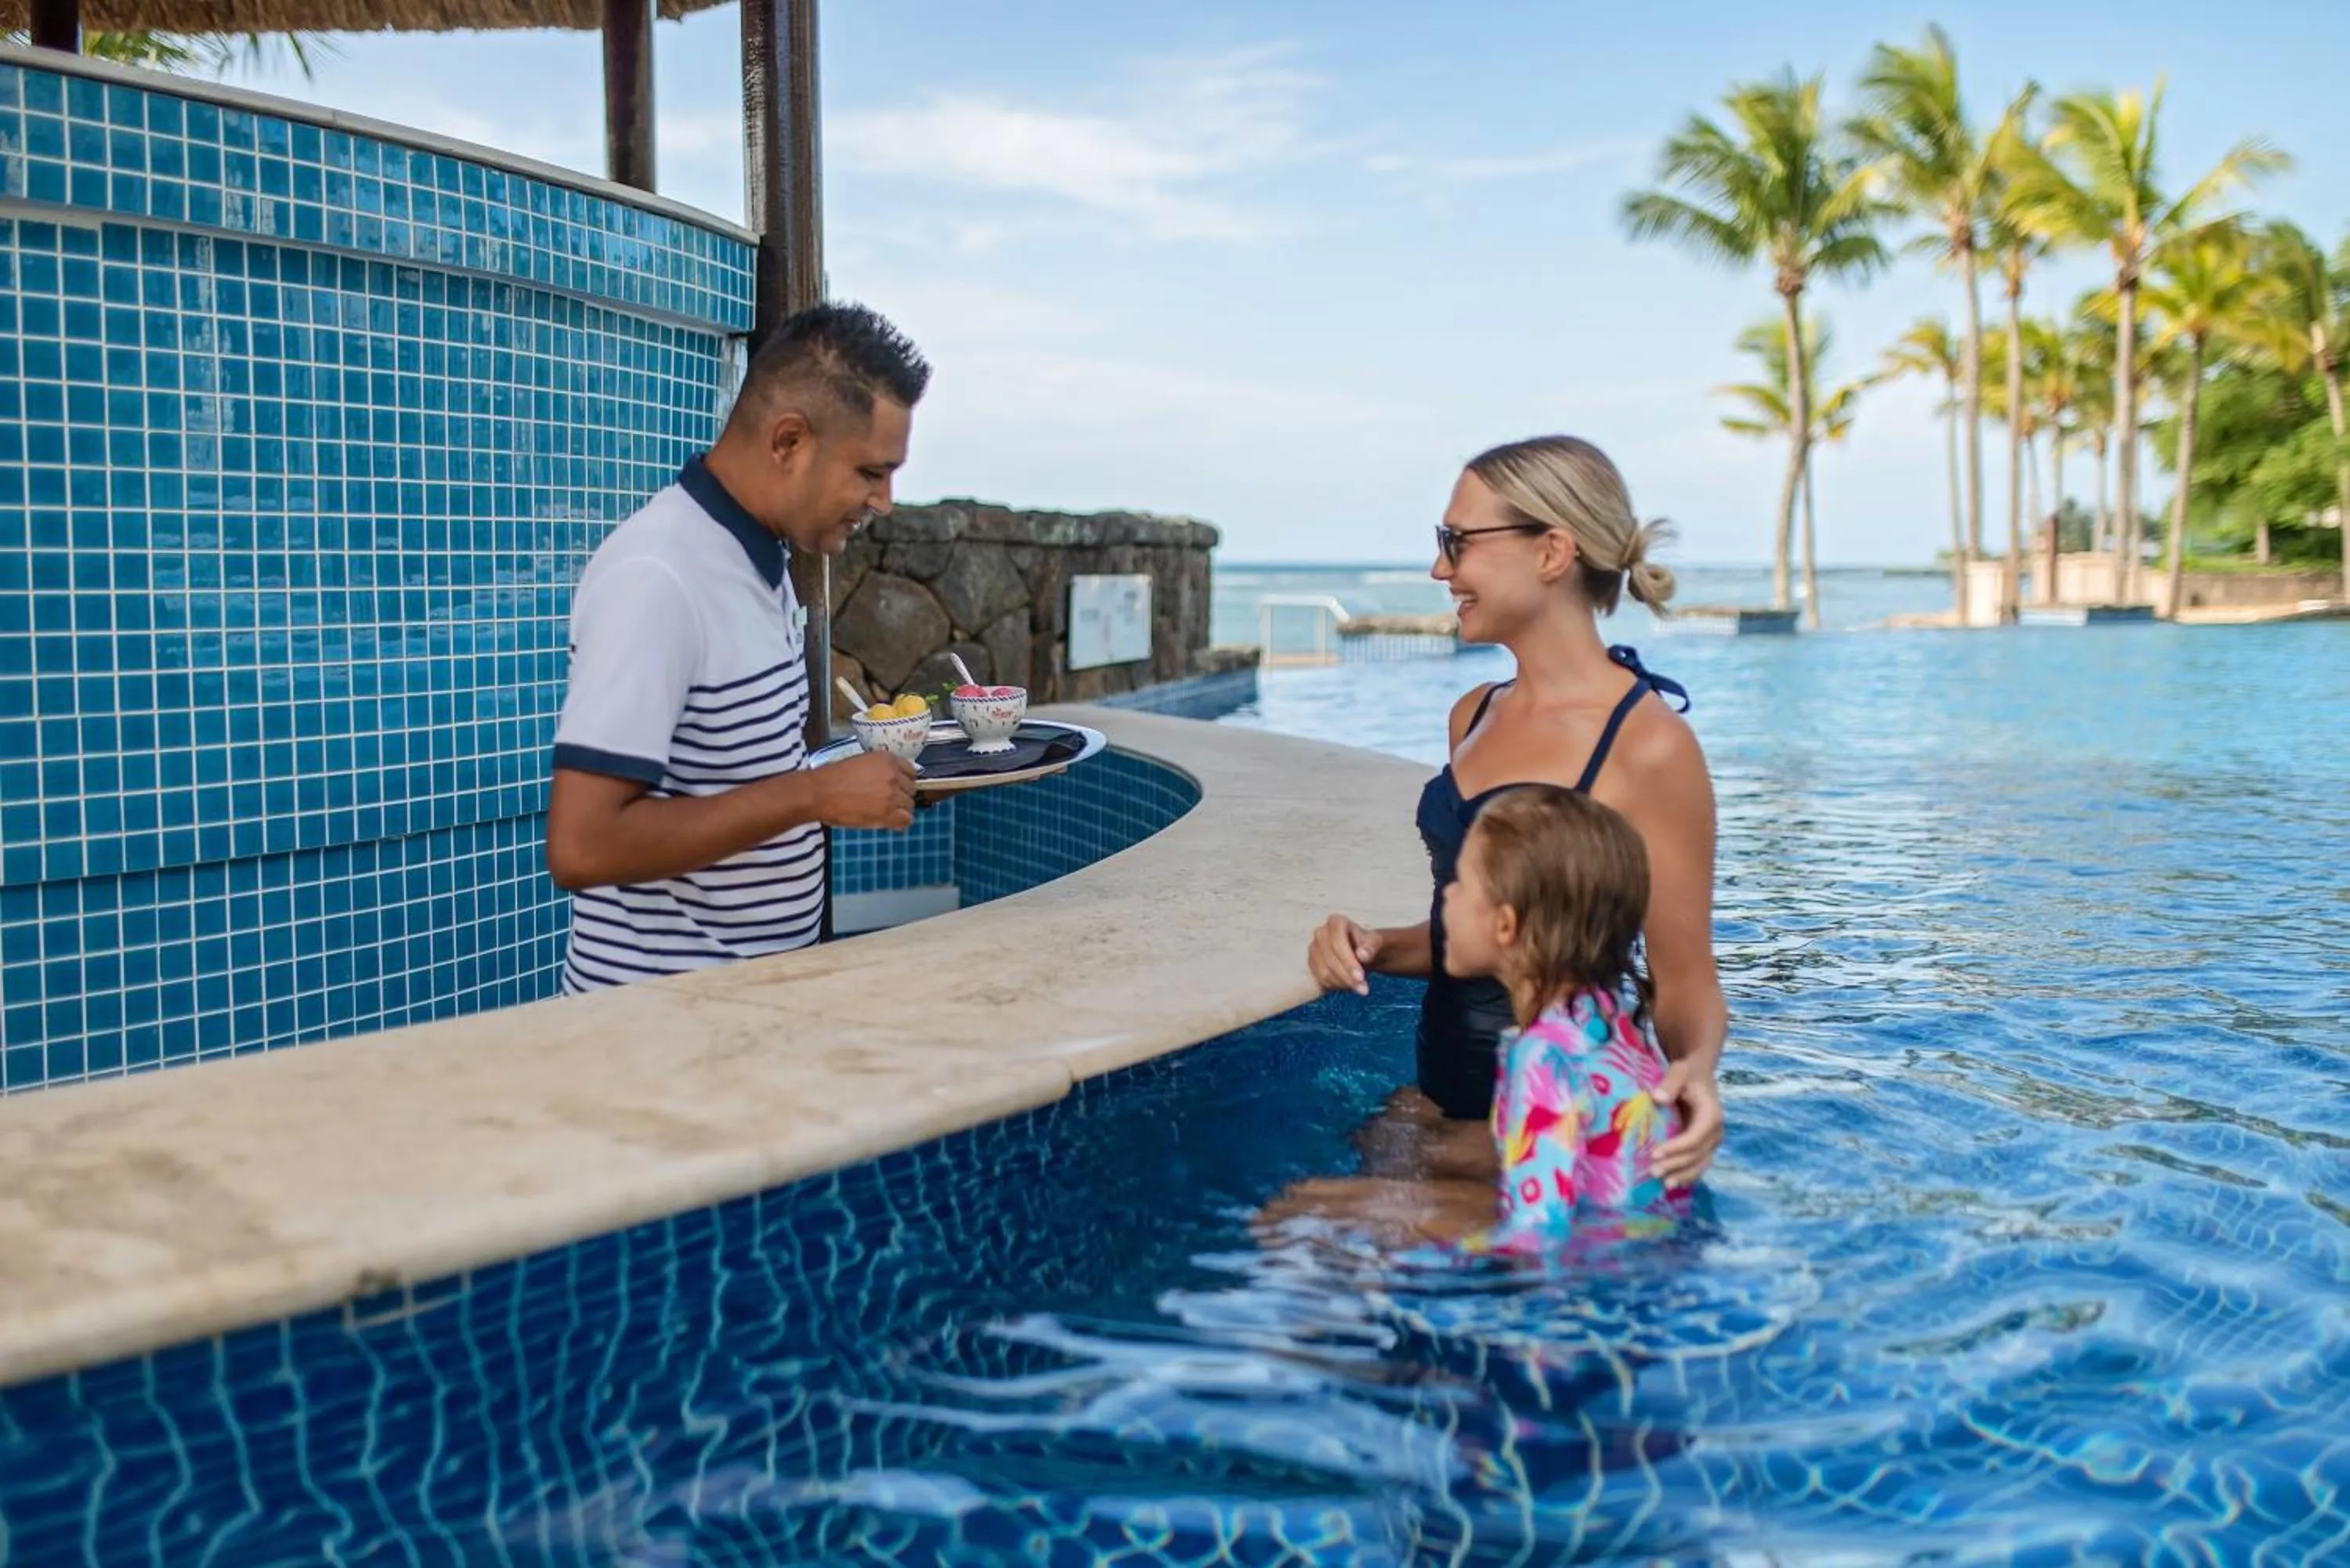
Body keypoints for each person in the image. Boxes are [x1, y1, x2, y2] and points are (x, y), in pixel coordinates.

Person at [1305, 435, 1726, 1191]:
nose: (1442, 569)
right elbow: (1493, 935)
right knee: (1289, 1245)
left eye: (1457, 542)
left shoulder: (1650, 748)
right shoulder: (1473, 717)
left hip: (1549, 1140)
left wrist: (1695, 1073)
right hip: (1441, 1104)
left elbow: (1686, 981)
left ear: (1552, 552)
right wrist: (1373, 944)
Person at [544, 303, 929, 992]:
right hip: (655, 1040)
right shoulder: (657, 577)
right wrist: (814, 795)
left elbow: (739, 775)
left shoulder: (758, 562)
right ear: (789, 442)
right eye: (870, 472)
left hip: (739, 1023)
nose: (885, 502)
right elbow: (583, 844)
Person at [1261, 786, 1684, 1254]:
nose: (1448, 897)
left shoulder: (1542, 1056)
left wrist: (1422, 1265)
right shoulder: (1604, 1015)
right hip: (1645, 1232)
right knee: (1401, 1124)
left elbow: (1537, 1237)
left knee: (1300, 1206)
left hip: (1602, 1261)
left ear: (1505, 926)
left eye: (1460, 883)